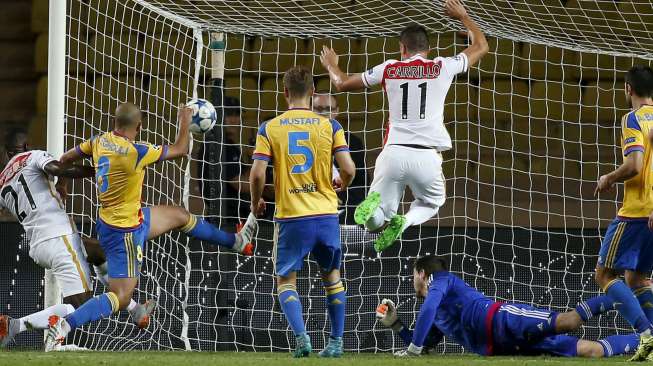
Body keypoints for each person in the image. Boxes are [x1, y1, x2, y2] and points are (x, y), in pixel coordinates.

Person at [44, 103, 258, 350]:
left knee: (179, 215)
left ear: (115, 123)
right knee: (120, 295)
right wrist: (185, 120)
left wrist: (62, 184)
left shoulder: (98, 141)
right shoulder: (136, 151)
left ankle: (236, 242)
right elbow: (181, 149)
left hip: (123, 218)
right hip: (125, 233)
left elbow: (65, 159)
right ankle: (64, 325)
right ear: (140, 126)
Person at [320, 0, 488, 252]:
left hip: (393, 153)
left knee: (376, 223)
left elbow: (341, 83)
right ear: (428, 49)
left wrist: (331, 65)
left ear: (402, 48)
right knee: (432, 203)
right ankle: (406, 221)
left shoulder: (390, 68)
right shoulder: (442, 66)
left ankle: (376, 214)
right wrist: (463, 17)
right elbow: (481, 46)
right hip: (426, 156)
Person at [0, 129, 154, 348]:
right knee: (82, 307)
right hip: (59, 237)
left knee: (98, 251)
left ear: (6, 154)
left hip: (38, 245)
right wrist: (96, 171)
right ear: (25, 147)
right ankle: (16, 326)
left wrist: (56, 189)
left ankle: (135, 309)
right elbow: (56, 167)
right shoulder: (32, 156)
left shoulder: (2, 181)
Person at [250, 66, 356, 357]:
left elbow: (258, 174)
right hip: (326, 214)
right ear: (312, 93)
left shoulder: (269, 128)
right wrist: (341, 183)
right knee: (332, 277)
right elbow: (349, 168)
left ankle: (302, 339)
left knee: (286, 281)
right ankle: (335, 343)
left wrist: (255, 201)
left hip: (291, 216)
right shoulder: (330, 126)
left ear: (284, 93)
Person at [376, 255, 639, 358]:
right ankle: (643, 341)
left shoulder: (440, 280)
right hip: (501, 346)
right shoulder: (435, 313)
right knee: (592, 352)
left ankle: (626, 297)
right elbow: (423, 345)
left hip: (501, 320)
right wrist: (397, 325)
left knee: (569, 321)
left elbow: (427, 313)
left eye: (413, 275)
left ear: (422, 273)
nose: (412, 280)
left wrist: (412, 350)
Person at [594, 65, 653, 361]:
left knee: (604, 274)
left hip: (636, 212)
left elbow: (635, 165)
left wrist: (608, 178)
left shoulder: (632, 118)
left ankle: (647, 333)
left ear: (628, 89)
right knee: (638, 280)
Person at [312, 92, 368, 224]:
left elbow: (362, 183)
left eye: (329, 109)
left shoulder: (353, 142)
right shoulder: (299, 139)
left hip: (344, 208)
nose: (324, 113)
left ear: (337, 111)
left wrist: (340, 196)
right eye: (318, 109)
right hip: (309, 204)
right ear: (310, 110)